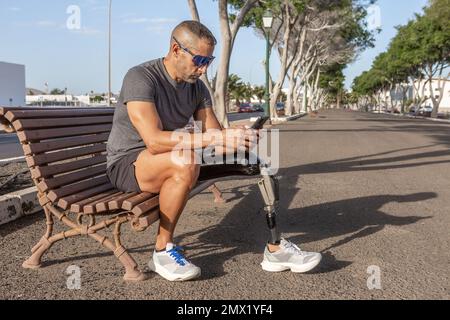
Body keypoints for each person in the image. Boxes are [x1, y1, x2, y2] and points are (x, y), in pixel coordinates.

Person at [106, 20, 321, 282]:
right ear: (176, 50)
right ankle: (162, 250)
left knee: (262, 163)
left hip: (172, 157)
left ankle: (275, 249)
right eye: (198, 60)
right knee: (184, 162)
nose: (203, 68)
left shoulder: (196, 87)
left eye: (209, 61)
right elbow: (153, 141)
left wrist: (238, 139)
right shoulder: (141, 77)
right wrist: (215, 138)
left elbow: (214, 134)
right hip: (129, 164)